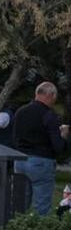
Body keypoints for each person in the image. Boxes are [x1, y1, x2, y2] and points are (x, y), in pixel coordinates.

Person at [13, 82, 70, 215]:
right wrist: (64, 136)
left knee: (20, 203)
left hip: (20, 160)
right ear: (51, 95)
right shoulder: (49, 115)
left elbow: (14, 137)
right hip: (41, 161)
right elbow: (58, 146)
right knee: (41, 206)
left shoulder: (20, 112)